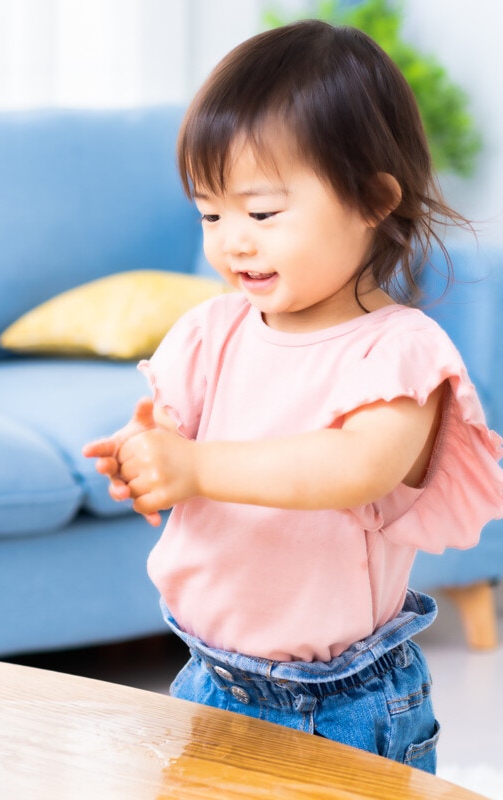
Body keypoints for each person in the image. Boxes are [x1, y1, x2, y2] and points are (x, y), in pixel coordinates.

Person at [83, 20, 503, 773]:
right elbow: (174, 431)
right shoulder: (211, 330)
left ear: (373, 199)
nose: (232, 240)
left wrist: (198, 468)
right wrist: (145, 455)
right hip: (208, 674)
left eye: (263, 213)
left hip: (343, 701)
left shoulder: (399, 351)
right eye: (210, 214)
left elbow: (354, 467)